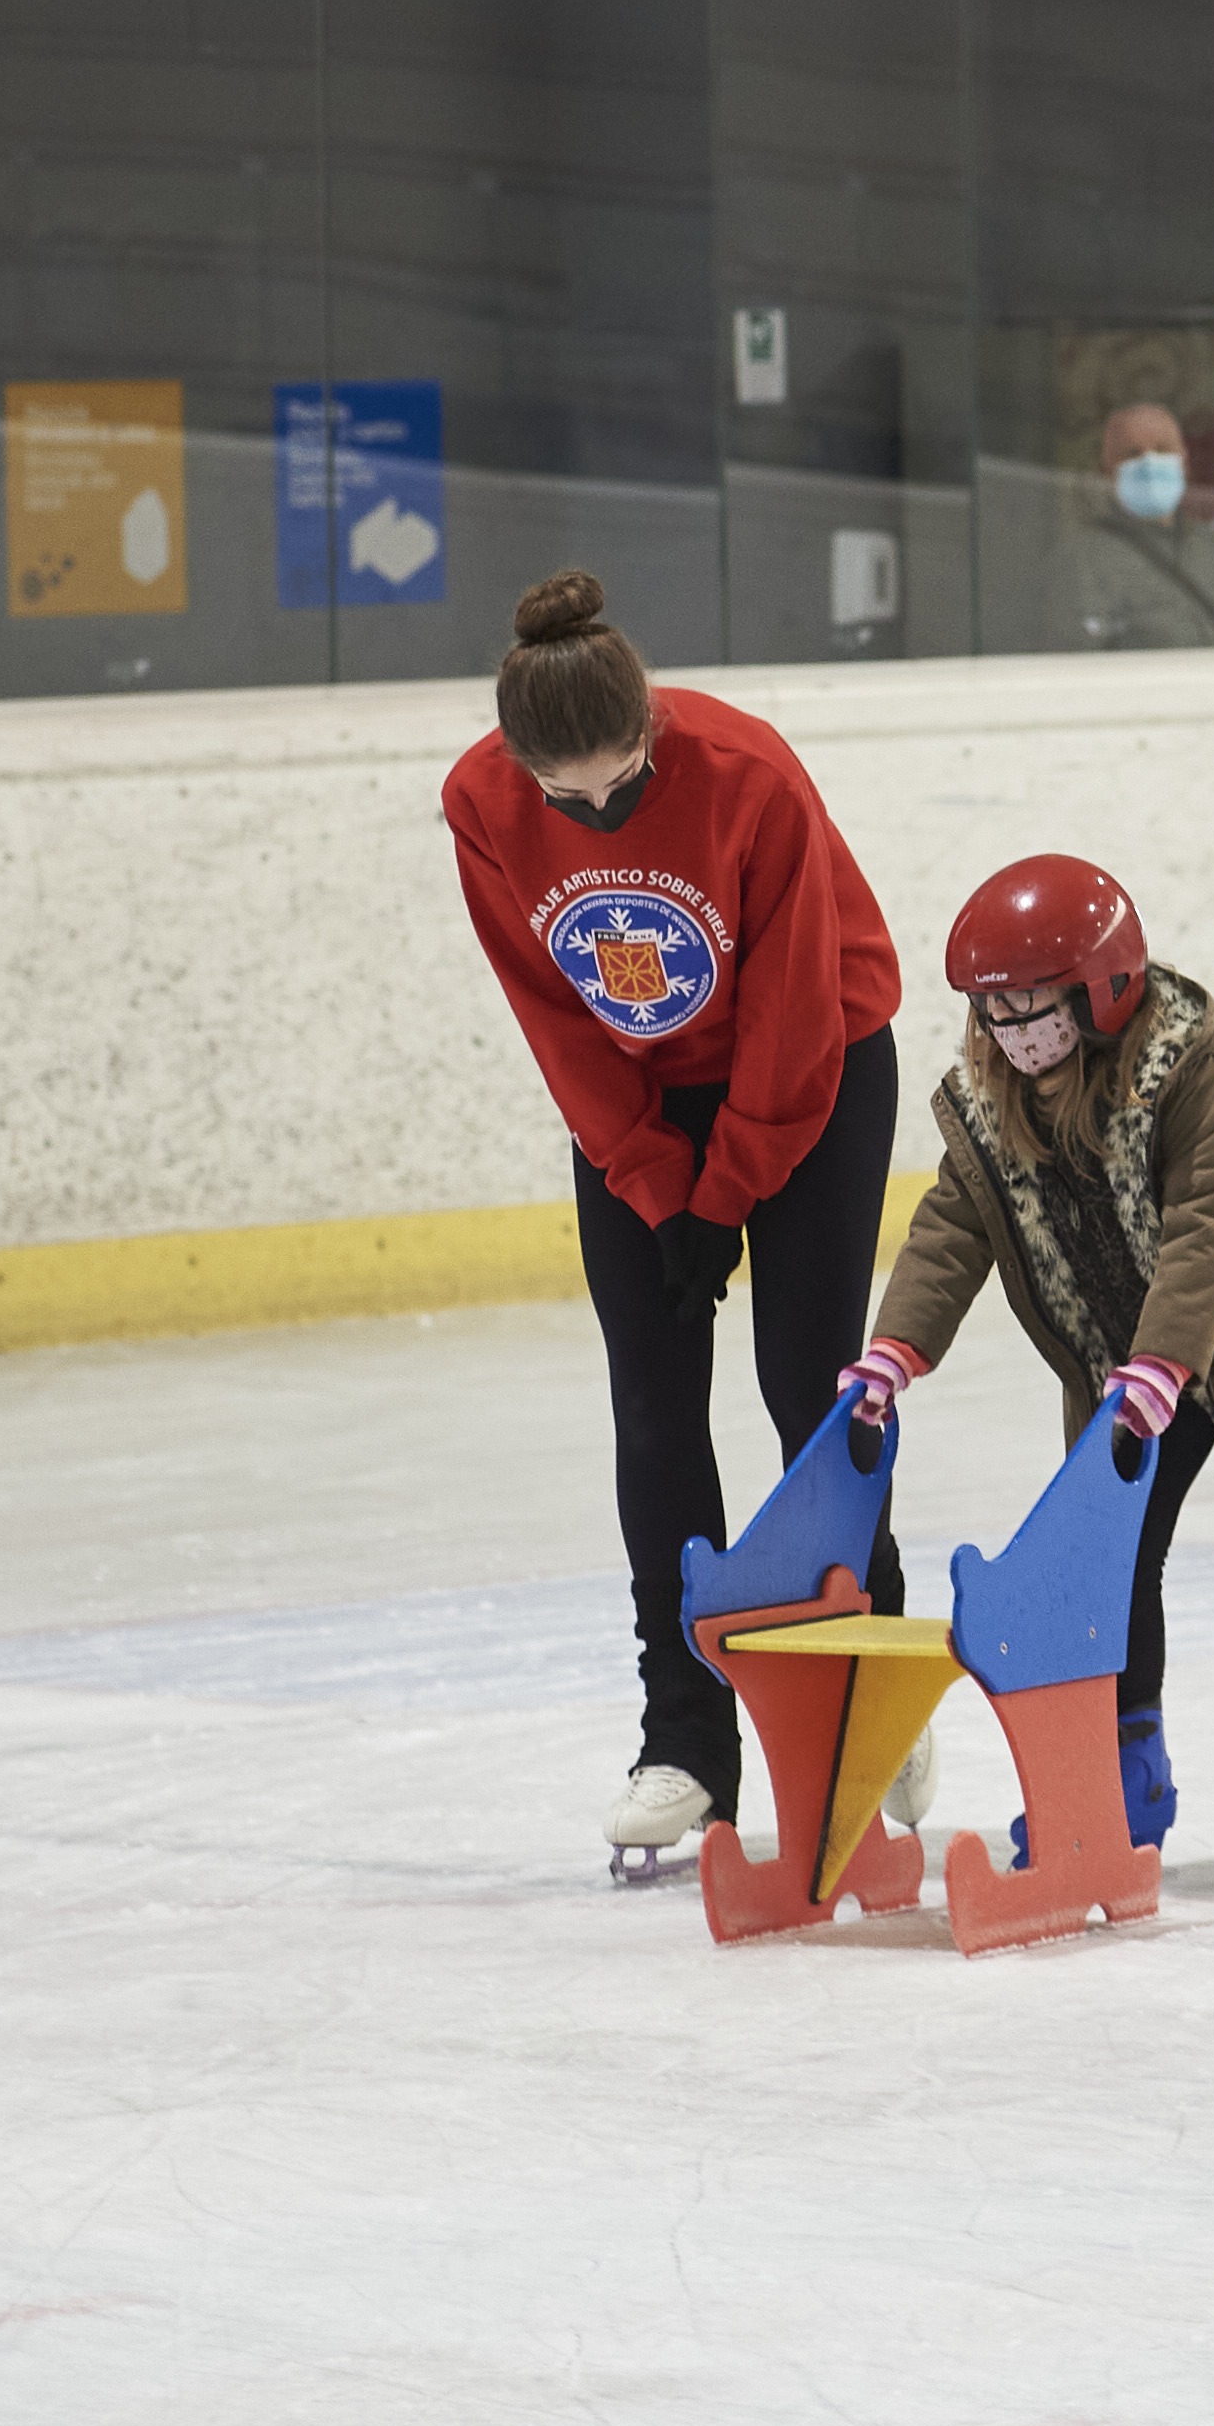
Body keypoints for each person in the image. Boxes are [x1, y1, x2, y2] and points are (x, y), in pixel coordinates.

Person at [444, 570, 915, 1881]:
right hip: (641, 1098)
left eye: (625, 784)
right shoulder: (482, 805)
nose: (601, 811)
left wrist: (725, 1193)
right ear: (521, 768)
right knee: (654, 1403)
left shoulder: (749, 774)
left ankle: (872, 1667)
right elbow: (554, 1012)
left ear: (652, 729)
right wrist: (655, 1179)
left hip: (813, 1068)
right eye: (571, 798)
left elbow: (792, 1011)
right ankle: (687, 1740)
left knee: (805, 1380)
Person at [845, 858, 1214, 1867]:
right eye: (994, 1012)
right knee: (1117, 1562)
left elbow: (1209, 1226)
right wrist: (894, 1347)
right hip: (1124, 1370)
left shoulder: (1189, 1076)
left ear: (1101, 991)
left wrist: (1162, 1363)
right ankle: (1128, 1770)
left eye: (1033, 1007)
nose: (1013, 1032)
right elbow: (952, 1227)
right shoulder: (993, 1101)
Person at [1067, 402, 1214, 651]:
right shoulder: (1081, 559)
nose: (1149, 462)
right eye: (1133, 454)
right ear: (1107, 473)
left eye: (1163, 449)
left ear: (1185, 463)